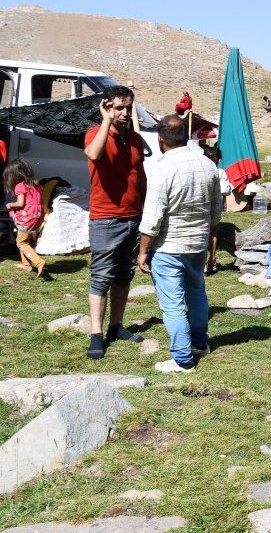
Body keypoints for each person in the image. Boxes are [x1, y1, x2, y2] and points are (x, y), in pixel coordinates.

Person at [137, 114, 222, 373]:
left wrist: (142, 251)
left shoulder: (163, 168)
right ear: (185, 137)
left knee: (172, 303)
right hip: (197, 244)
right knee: (196, 293)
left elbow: (152, 217)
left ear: (161, 140)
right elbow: (217, 212)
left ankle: (183, 359)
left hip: (169, 246)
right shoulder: (208, 165)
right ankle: (199, 344)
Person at [83, 85, 147, 360]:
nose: (124, 113)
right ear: (106, 107)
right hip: (106, 218)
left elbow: (140, 174)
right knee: (101, 277)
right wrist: (106, 121)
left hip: (133, 217)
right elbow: (93, 155)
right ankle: (96, 335)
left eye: (128, 108)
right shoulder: (94, 134)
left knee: (124, 276)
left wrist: (145, 209)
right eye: (118, 107)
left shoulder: (134, 139)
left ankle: (116, 326)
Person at [4, 158, 49, 279]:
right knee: (24, 239)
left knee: (21, 242)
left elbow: (20, 203)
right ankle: (26, 264)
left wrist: (10, 205)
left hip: (27, 217)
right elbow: (40, 201)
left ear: (14, 175)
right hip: (37, 216)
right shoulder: (36, 185)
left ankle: (39, 262)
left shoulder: (20, 186)